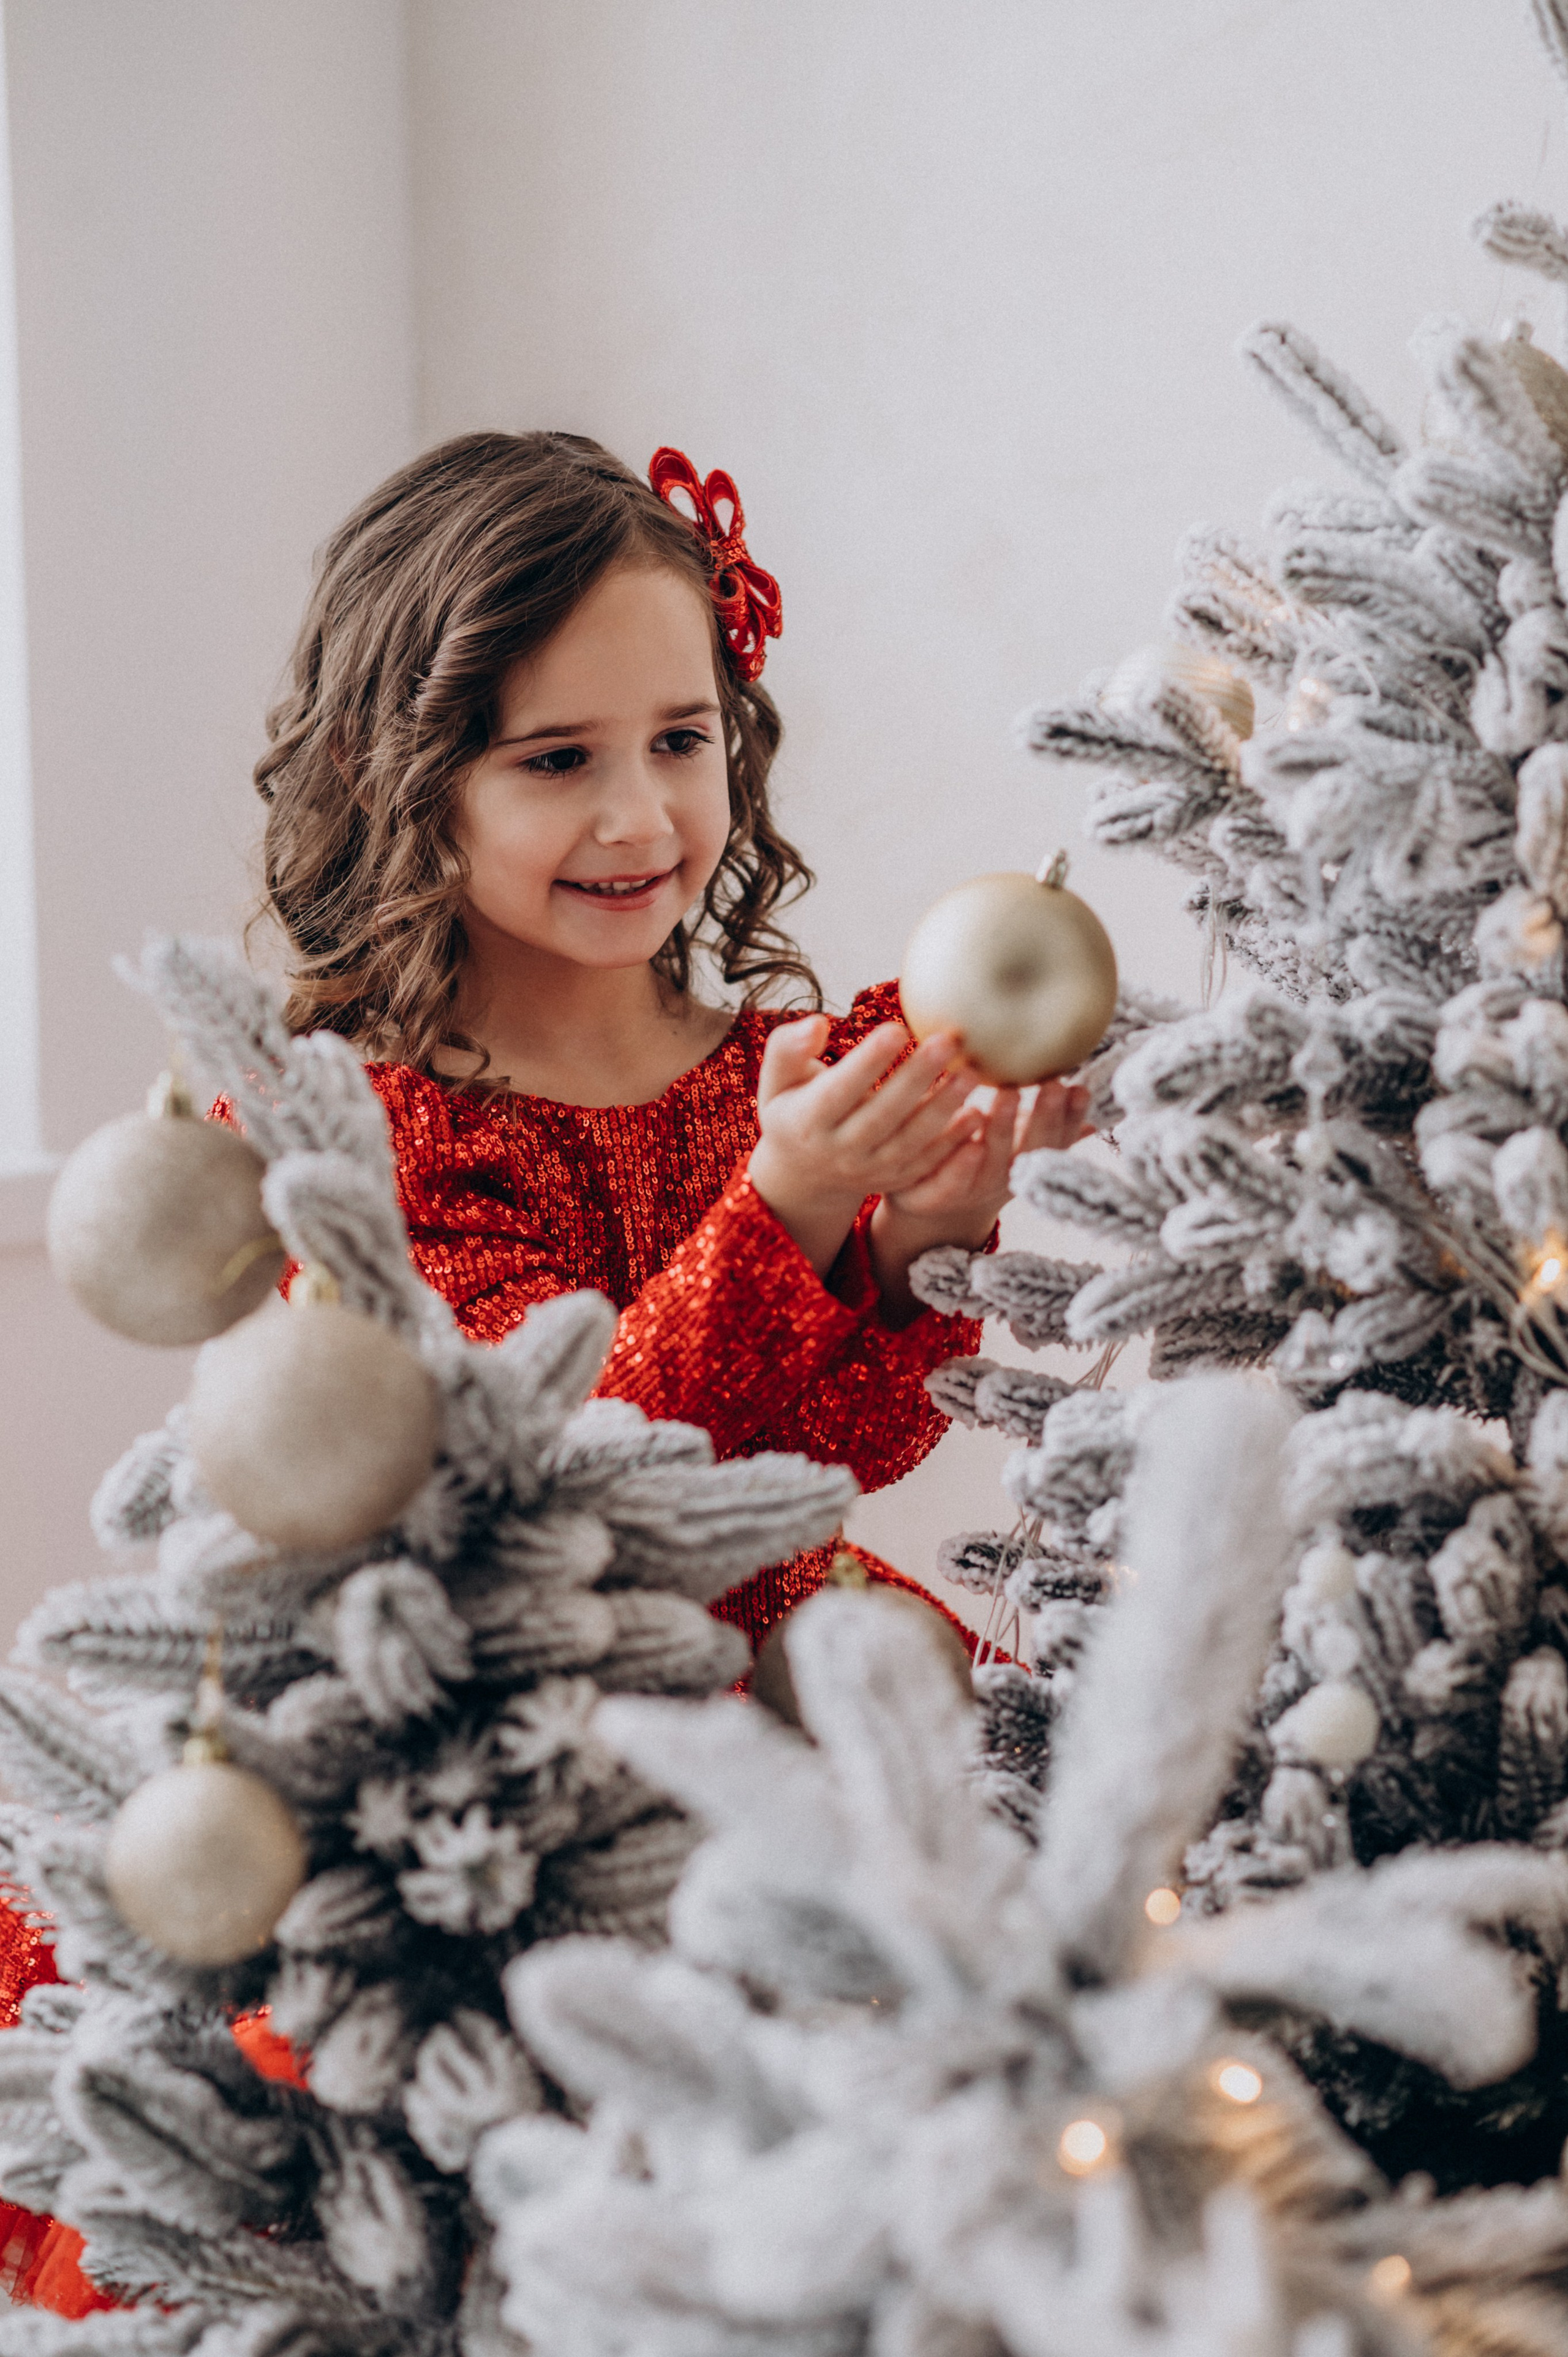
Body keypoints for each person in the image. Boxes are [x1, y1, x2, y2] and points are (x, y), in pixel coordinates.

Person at [254, 431, 1090, 1643]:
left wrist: (927, 1228)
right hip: (532, 1710)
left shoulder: (763, 1080)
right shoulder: (362, 1137)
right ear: (390, 775)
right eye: (556, 758)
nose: (638, 818)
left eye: (680, 741)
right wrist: (789, 1202)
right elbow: (570, 1477)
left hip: (793, 1644)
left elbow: (845, 1456)